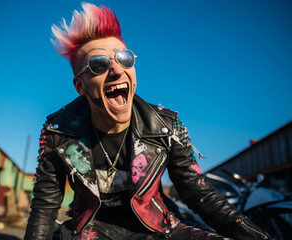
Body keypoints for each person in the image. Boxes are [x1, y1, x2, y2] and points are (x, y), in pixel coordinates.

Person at [24, 3, 271, 240]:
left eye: (124, 58)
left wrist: (254, 234)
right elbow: (45, 205)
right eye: (98, 64)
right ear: (80, 86)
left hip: (159, 227)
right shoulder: (58, 132)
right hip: (90, 230)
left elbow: (198, 193)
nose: (117, 70)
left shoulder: (167, 127)